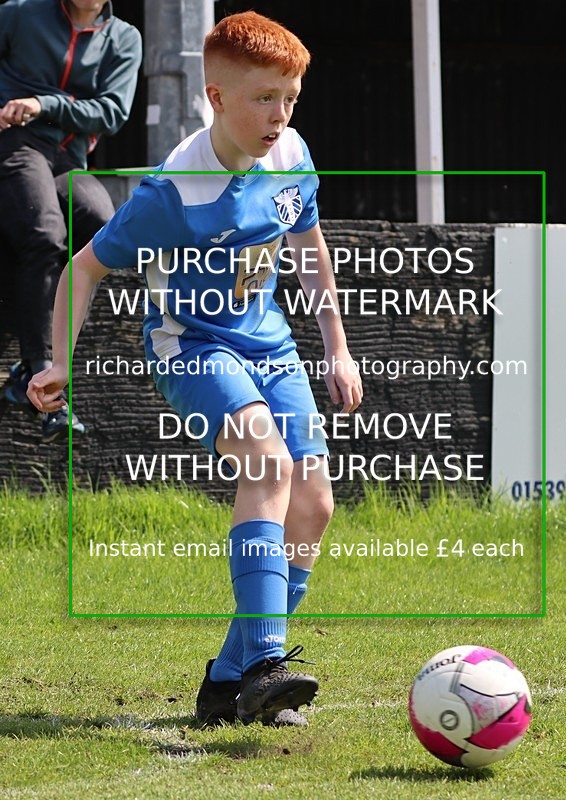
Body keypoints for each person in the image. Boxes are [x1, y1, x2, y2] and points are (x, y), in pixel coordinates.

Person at [28, 11, 362, 726]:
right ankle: (268, 663)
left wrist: (334, 344)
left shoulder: (291, 153)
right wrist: (60, 361)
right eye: (263, 99)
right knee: (266, 466)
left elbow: (308, 244)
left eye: (290, 97)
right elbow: (83, 270)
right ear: (215, 97)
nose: (279, 115)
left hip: (270, 347)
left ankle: (228, 682)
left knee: (314, 507)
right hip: (194, 348)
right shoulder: (171, 193)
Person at [0, 0, 142, 442]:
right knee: (43, 232)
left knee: (104, 228)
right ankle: (41, 373)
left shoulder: (124, 38)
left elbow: (112, 112)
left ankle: (30, 364)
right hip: (15, 144)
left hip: (69, 157)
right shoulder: (19, 14)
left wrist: (43, 104)